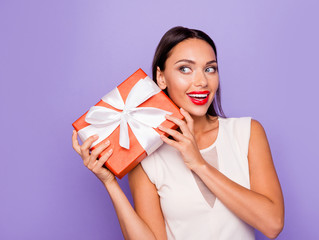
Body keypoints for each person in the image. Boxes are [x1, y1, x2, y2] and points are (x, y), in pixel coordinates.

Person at [72, 26, 284, 240]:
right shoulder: (147, 155)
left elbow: (272, 224)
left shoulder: (247, 132)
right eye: (185, 69)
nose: (201, 81)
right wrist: (110, 183)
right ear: (161, 78)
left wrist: (199, 164)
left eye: (210, 69)